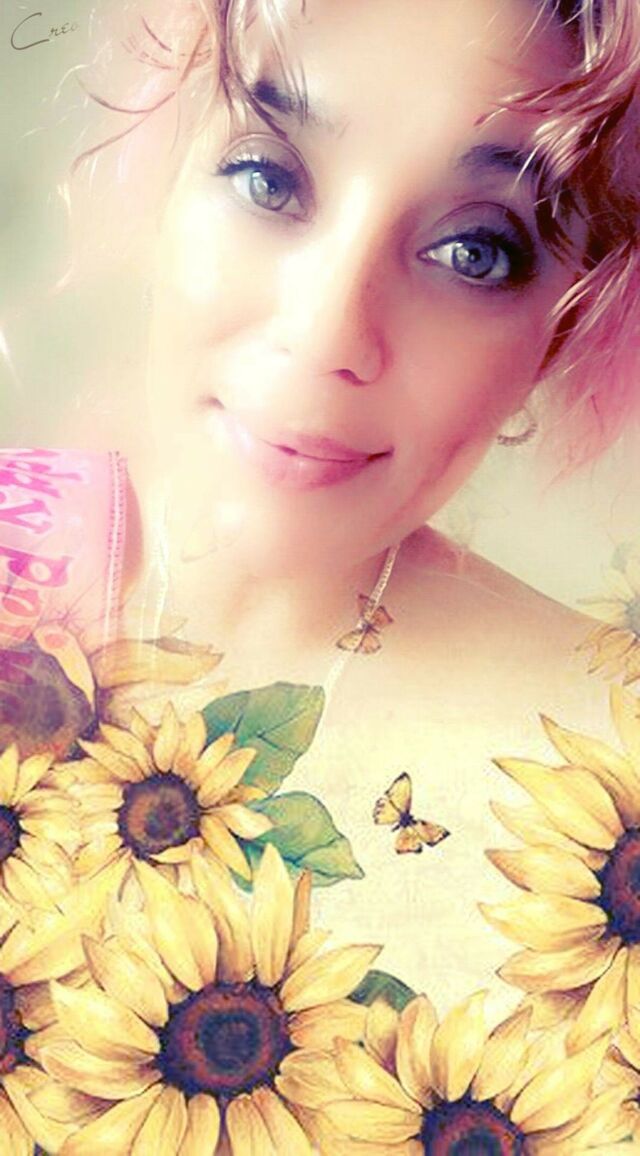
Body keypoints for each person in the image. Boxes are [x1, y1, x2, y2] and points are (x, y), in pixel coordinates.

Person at [1, 2, 640, 1149]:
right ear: (169, 165)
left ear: (564, 322)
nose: (326, 330)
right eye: (268, 178)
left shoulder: (608, 804)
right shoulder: (25, 544)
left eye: (474, 249)